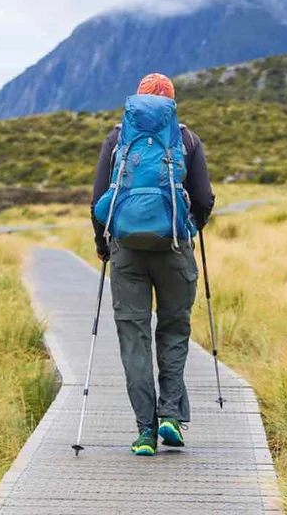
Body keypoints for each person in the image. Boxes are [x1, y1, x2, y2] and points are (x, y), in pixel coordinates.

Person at [91, 73, 215, 456]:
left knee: (135, 338)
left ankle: (145, 432)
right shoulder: (187, 140)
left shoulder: (117, 140)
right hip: (175, 247)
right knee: (174, 331)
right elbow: (205, 198)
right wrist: (188, 229)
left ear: (136, 102)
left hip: (126, 249)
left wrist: (104, 246)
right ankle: (170, 417)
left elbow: (99, 200)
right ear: (172, 104)